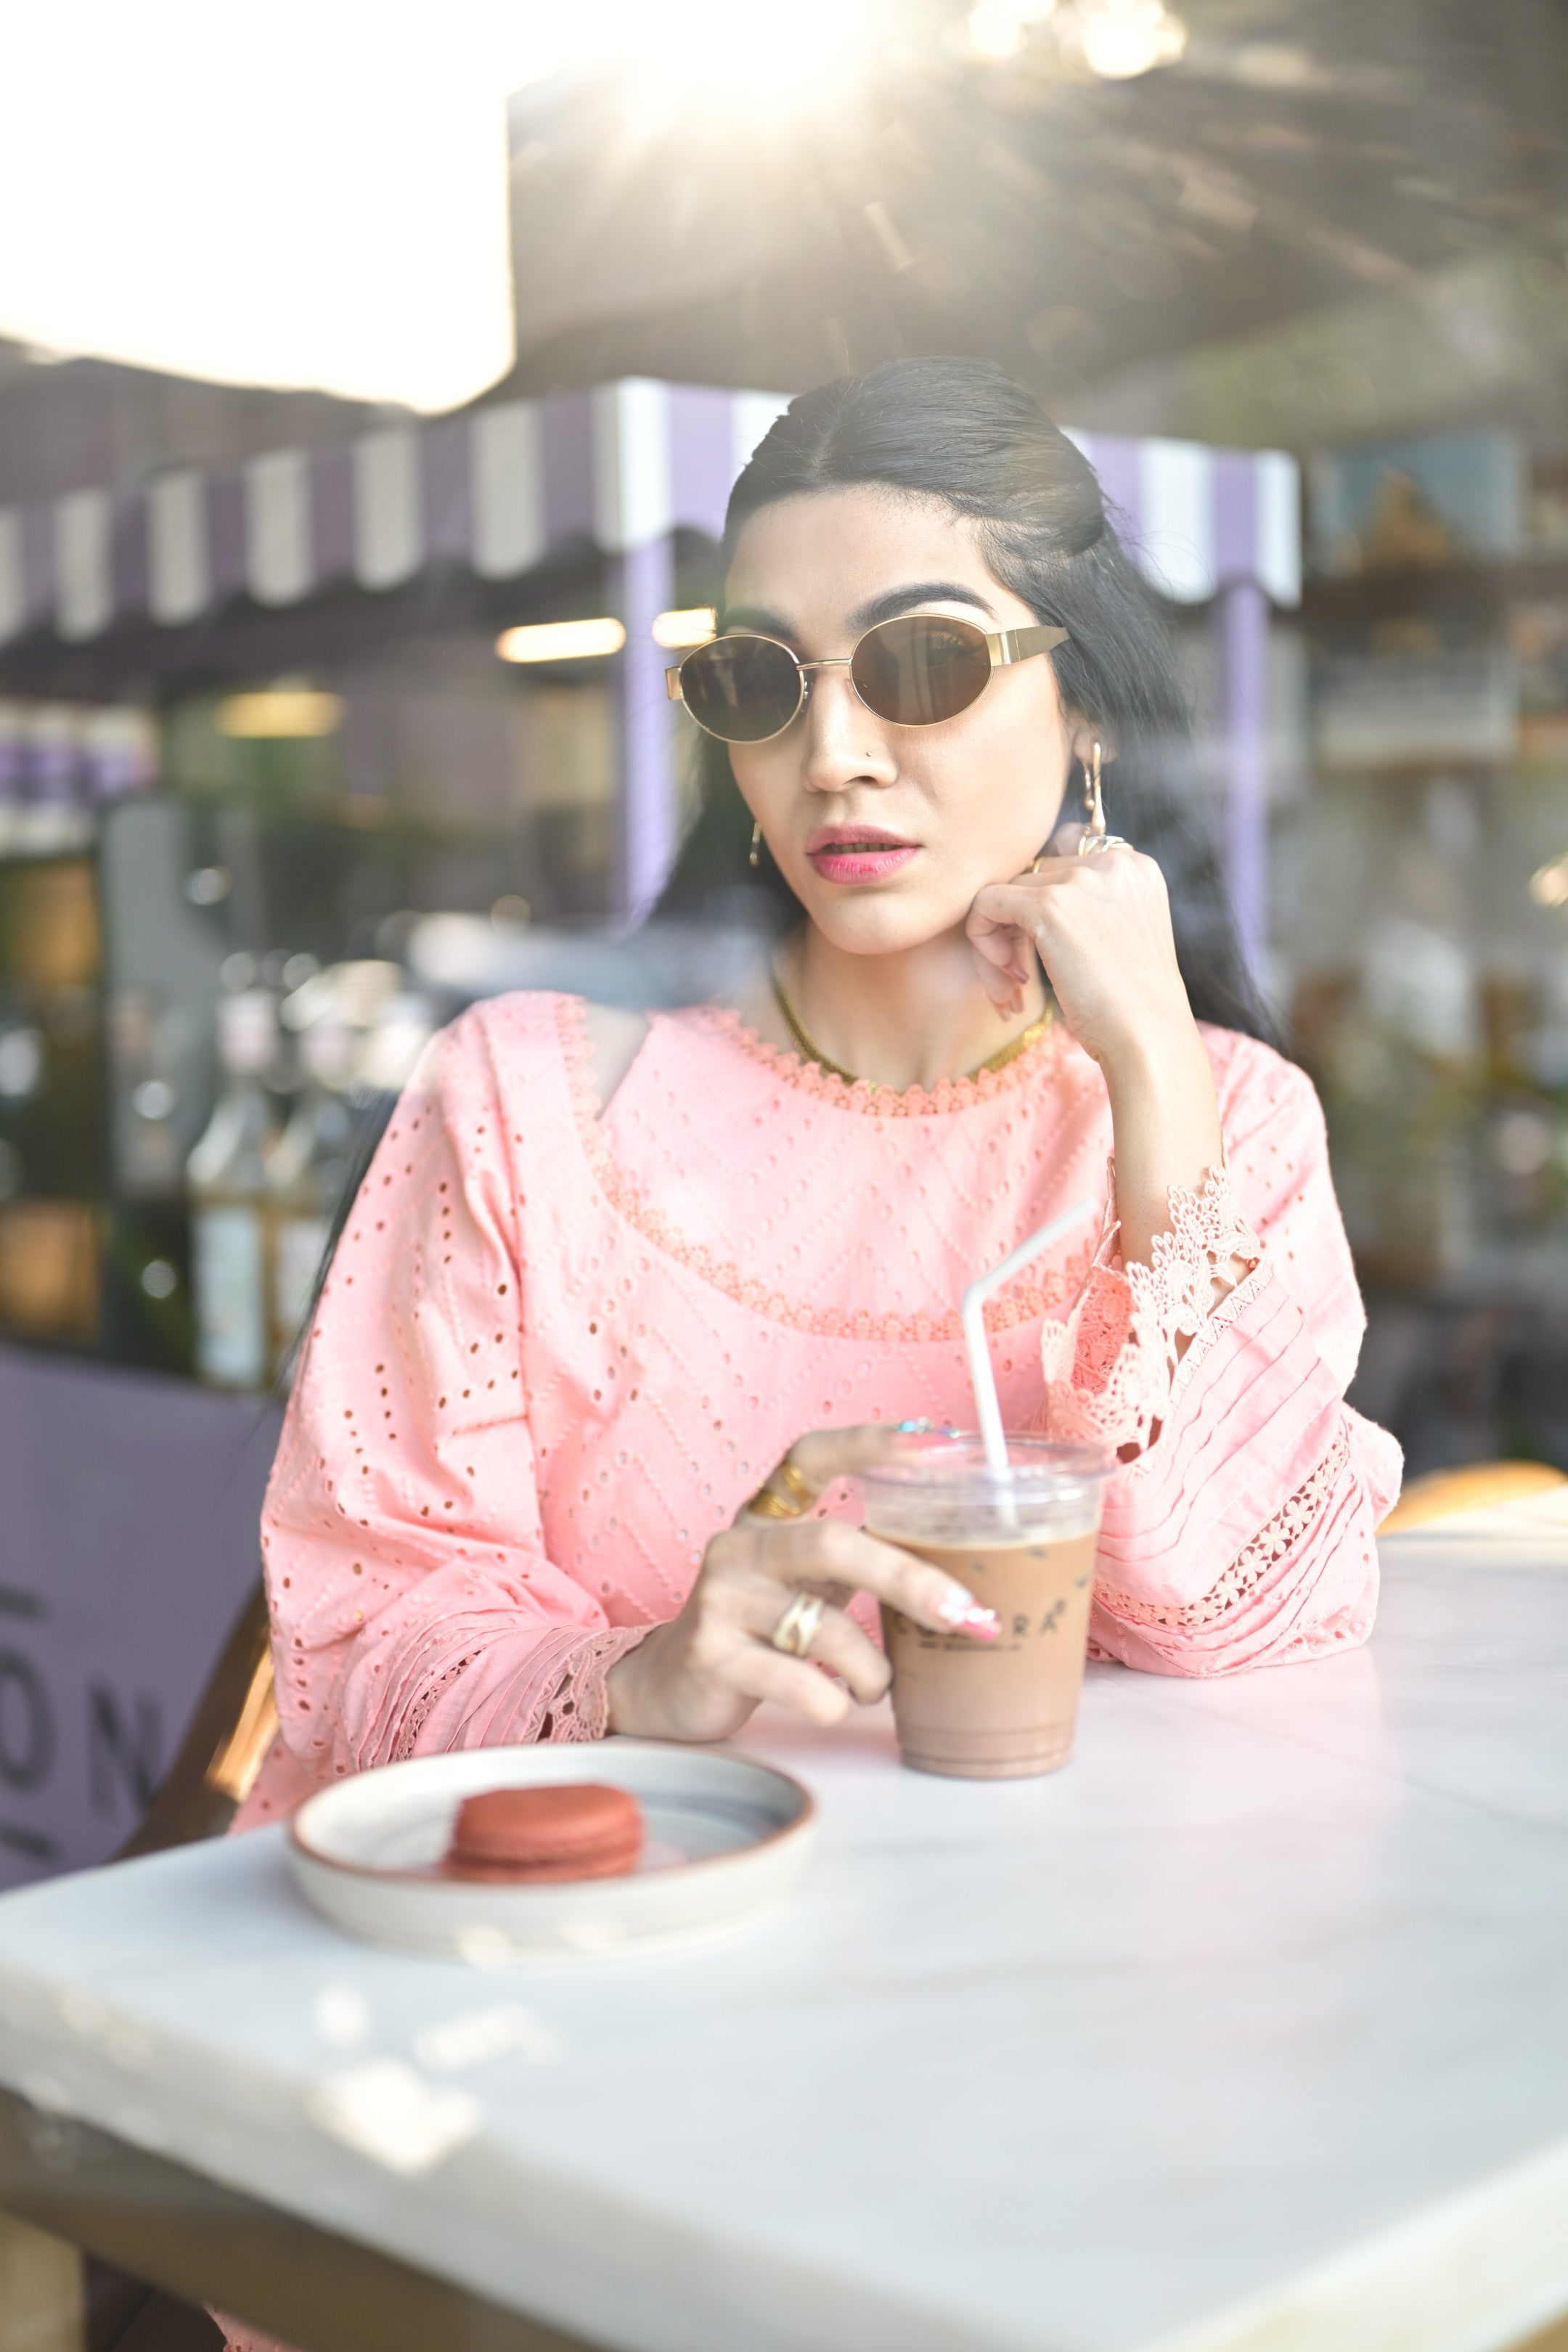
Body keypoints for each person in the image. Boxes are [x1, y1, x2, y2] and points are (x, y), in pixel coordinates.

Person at [234, 355, 1401, 1834]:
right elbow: (354, 1635)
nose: (833, 756)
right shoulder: (527, 1108)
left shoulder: (1235, 1125)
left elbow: (1238, 1622)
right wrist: (635, 1682)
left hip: (1019, 1998)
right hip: (584, 1967)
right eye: (763, 680)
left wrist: (1160, 1074)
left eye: (924, 664)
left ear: (1088, 718)